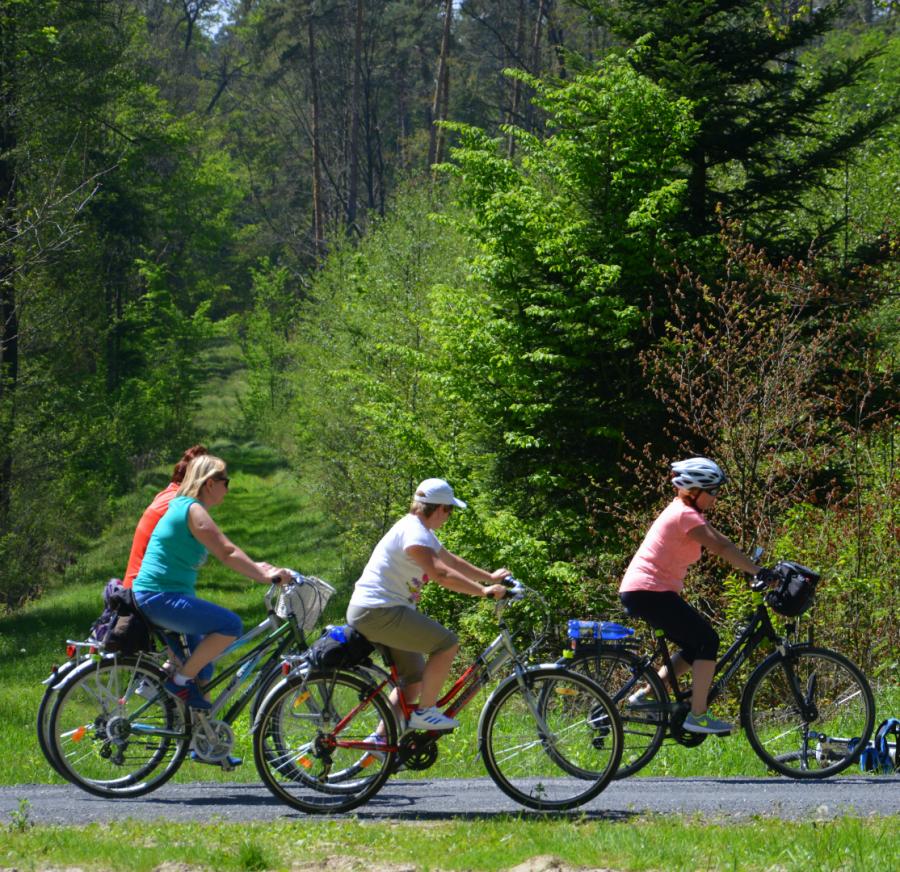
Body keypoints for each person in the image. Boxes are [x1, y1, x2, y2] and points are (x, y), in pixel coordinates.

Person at [619, 457, 770, 735]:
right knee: (707, 640)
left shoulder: (686, 513)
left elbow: (721, 541)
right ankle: (698, 715)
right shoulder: (684, 515)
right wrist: (759, 571)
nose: (716, 497)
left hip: (646, 591)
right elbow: (721, 547)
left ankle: (646, 696)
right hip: (649, 591)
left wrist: (751, 567)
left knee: (693, 648)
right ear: (695, 490)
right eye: (713, 491)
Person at [347, 478, 510, 733]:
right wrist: (483, 591)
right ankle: (426, 712)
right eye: (450, 510)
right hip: (379, 611)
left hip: (379, 611)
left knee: (413, 681)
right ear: (440, 508)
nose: (449, 517)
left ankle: (379, 741)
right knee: (447, 644)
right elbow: (441, 574)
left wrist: (490, 578)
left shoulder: (420, 531)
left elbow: (451, 562)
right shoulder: (414, 534)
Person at [132, 455, 292, 711]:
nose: (228, 488)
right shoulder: (192, 509)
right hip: (159, 597)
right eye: (225, 482)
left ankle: (204, 734)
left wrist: (260, 567)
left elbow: (228, 551)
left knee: (203, 668)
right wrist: (263, 577)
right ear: (209, 483)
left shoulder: (182, 506)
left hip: (158, 596)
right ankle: (179, 683)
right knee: (230, 625)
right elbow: (226, 552)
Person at [122, 445, 208, 588]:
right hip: (147, 587)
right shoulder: (179, 504)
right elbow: (199, 556)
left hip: (136, 585)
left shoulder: (167, 493)